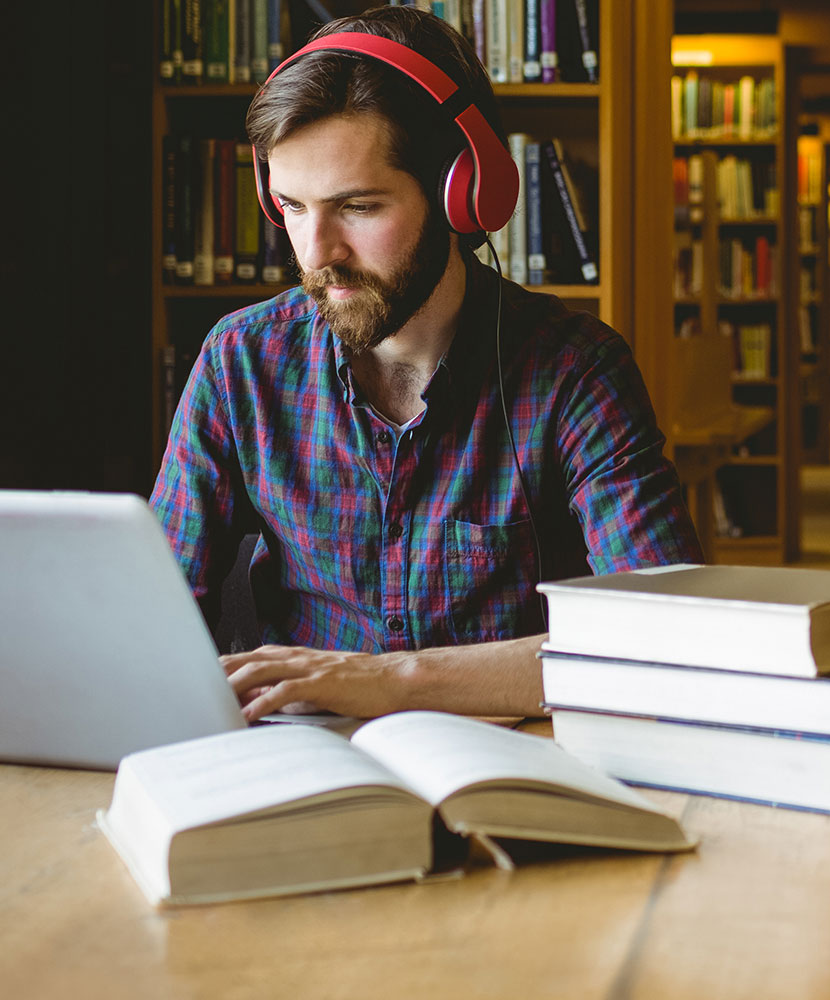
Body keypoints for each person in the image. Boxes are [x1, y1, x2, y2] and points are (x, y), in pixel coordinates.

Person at [152, 6, 702, 723]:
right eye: (291, 206)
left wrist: (393, 681)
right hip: (304, 762)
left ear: (462, 195)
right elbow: (155, 621)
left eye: (357, 206)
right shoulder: (241, 362)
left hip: (513, 764)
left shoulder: (576, 371)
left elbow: (674, 639)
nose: (317, 254)